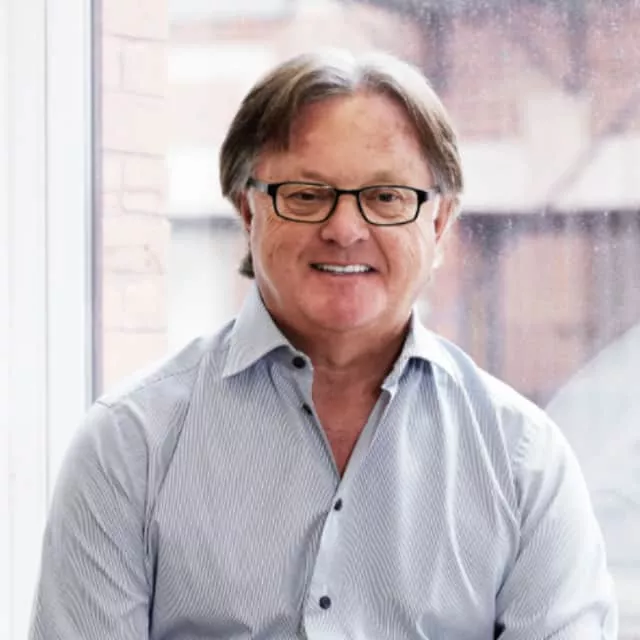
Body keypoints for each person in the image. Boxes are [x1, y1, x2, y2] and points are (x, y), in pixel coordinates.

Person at [30, 49, 617, 639]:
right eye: (306, 195)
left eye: (386, 197)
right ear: (248, 211)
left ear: (439, 223)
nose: (344, 229)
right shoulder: (130, 445)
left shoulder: (522, 461)